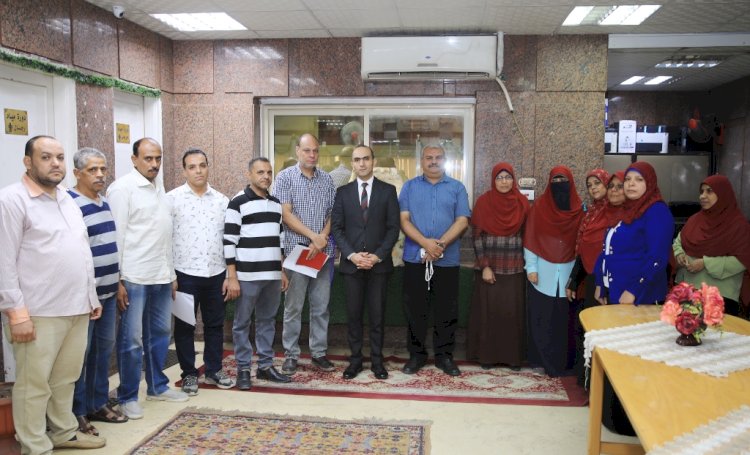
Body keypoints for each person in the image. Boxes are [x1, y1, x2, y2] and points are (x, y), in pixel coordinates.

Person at [0, 135, 105, 453]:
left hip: (76, 308)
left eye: (59, 157)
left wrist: (91, 297)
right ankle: (34, 444)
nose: (55, 163)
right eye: (46, 157)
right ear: (28, 162)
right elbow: (4, 261)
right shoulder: (11, 200)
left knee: (65, 378)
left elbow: (80, 251)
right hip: (37, 313)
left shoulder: (66, 199)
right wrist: (16, 314)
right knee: (34, 383)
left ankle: (63, 432)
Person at [107, 138, 188, 420]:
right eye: (148, 158)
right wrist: (118, 280)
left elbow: (165, 236)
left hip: (161, 277)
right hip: (134, 277)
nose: (154, 164)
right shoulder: (122, 190)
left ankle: (157, 387)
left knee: (161, 335)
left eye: (158, 158)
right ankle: (127, 396)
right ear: (134, 159)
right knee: (132, 340)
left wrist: (171, 275)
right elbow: (116, 237)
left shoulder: (159, 188)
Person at [69, 148, 128, 437]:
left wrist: (117, 283)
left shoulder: (103, 202)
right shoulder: (69, 203)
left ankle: (98, 403)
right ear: (77, 173)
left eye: (103, 169)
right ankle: (77, 411)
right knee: (81, 356)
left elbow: (109, 246)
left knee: (103, 353)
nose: (100, 175)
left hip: (108, 293)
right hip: (85, 298)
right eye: (93, 170)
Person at [399, 144, 471, 377]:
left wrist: (439, 246)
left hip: (447, 260)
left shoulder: (457, 188)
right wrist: (426, 244)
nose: (433, 161)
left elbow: (462, 221)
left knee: (446, 310)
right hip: (415, 259)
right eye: (429, 157)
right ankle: (416, 355)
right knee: (415, 310)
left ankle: (444, 356)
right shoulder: (409, 187)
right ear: (422, 161)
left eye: (438, 157)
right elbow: (404, 220)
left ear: (444, 160)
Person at [166, 149, 234, 395]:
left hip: (215, 273)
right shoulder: (171, 200)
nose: (198, 171)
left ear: (208, 167)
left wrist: (229, 274)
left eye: (202, 165)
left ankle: (214, 370)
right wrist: (171, 276)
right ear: (184, 170)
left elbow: (229, 240)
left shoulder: (222, 201)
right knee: (185, 326)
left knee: (215, 325)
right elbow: (164, 239)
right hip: (184, 274)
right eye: (192, 166)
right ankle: (189, 374)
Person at [331, 145, 400, 380]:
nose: (362, 163)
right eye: (357, 159)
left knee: (377, 316)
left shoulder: (388, 191)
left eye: (366, 159)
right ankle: (355, 361)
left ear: (373, 161)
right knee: (354, 316)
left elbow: (393, 228)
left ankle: (378, 362)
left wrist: (377, 255)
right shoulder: (342, 192)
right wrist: (352, 255)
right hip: (352, 266)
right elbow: (337, 228)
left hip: (379, 266)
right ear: (352, 163)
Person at [272, 133, 337, 375]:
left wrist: (321, 239)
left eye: (315, 151)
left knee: (321, 307)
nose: (312, 155)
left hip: (322, 254)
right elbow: (285, 214)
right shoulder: (285, 177)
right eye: (307, 150)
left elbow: (333, 214)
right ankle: (291, 354)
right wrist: (313, 237)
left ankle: (319, 353)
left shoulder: (327, 180)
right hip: (297, 253)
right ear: (297, 150)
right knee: (293, 308)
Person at [225, 157, 292, 390]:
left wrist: (281, 271)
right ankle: (243, 369)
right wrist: (232, 277)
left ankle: (265, 366)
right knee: (241, 323)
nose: (266, 176)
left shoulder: (275, 204)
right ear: (249, 175)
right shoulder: (237, 203)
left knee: (267, 321)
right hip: (246, 276)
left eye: (269, 172)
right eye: (260, 172)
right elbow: (229, 241)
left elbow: (280, 240)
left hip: (272, 276)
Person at [467, 162, 529, 370]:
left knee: (511, 315)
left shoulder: (522, 202)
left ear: (513, 179)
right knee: (489, 314)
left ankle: (512, 358)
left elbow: (528, 235)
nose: (504, 182)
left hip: (514, 267)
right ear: (493, 180)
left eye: (507, 177)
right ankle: (487, 357)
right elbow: (476, 237)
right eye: (499, 178)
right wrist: (485, 266)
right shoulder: (484, 202)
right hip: (490, 268)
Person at [523, 166, 583, 377]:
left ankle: (564, 363)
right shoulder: (539, 207)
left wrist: (577, 277)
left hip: (569, 274)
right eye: (555, 181)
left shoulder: (579, 209)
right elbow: (531, 237)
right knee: (542, 318)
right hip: (542, 272)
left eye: (563, 181)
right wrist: (531, 267)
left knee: (565, 320)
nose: (559, 186)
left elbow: (582, 243)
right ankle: (540, 361)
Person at [594, 161, 675, 306]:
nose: (631, 184)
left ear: (649, 183)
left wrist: (633, 290)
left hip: (640, 297)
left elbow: (657, 258)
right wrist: (600, 282)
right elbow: (607, 250)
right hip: (615, 291)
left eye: (639, 179)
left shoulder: (656, 211)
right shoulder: (625, 210)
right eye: (627, 179)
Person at [673, 174, 750, 316]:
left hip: (719, 296)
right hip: (686, 290)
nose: (703, 196)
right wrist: (679, 254)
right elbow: (678, 241)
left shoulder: (738, 226)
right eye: (701, 191)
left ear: (723, 194)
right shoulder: (695, 220)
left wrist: (706, 263)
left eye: (709, 191)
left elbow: (742, 261)